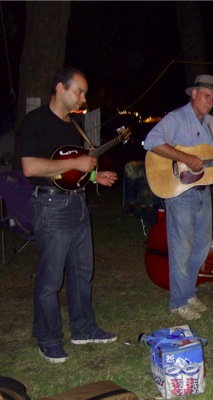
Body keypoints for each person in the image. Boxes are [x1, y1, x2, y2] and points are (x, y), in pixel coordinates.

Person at [19, 67, 118, 364]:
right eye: (79, 91)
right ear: (60, 88)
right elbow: (30, 168)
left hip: (77, 203)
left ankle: (83, 328)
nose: (83, 98)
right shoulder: (35, 121)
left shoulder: (75, 126)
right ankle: (47, 337)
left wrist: (94, 177)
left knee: (81, 272)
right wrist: (77, 162)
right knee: (50, 278)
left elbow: (72, 172)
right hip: (51, 206)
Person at [143, 74, 213, 321]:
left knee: (201, 247)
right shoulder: (176, 118)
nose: (210, 102)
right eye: (207, 96)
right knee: (181, 248)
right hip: (180, 193)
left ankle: (188, 293)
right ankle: (177, 302)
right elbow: (151, 142)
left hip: (203, 192)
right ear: (194, 94)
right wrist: (185, 158)